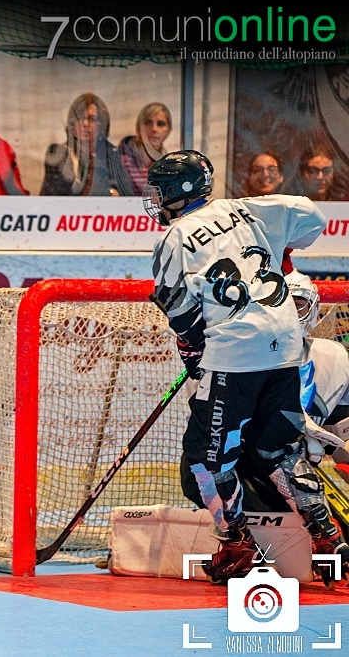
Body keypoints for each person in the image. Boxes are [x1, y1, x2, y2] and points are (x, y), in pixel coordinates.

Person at [146, 149, 347, 586]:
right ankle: (328, 537)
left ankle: (237, 544)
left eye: (160, 191)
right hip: (285, 344)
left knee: (206, 459)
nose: (156, 200)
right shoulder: (244, 209)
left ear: (178, 193)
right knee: (279, 450)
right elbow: (310, 216)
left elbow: (177, 308)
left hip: (234, 352)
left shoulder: (175, 236)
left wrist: (194, 351)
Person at [180, 271, 349, 520]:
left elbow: (342, 435)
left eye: (297, 306)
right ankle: (239, 538)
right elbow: (220, 438)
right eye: (280, 306)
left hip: (290, 474)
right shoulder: (229, 360)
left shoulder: (331, 358)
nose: (289, 315)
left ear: (313, 311)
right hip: (234, 470)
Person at [40, 92, 132, 197]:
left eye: (91, 119)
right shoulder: (58, 154)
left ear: (102, 124)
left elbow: (127, 196)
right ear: (72, 123)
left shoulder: (113, 155)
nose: (85, 124)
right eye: (79, 118)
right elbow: (53, 196)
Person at [117, 102, 172, 196]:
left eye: (160, 124)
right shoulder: (122, 159)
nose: (154, 129)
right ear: (138, 128)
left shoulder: (170, 164)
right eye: (148, 123)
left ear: (168, 130)